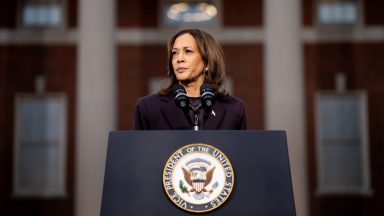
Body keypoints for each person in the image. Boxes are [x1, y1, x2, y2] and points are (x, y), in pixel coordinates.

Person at [134, 28, 246, 130]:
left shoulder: (234, 109)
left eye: (188, 51)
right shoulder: (148, 108)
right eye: (175, 53)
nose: (179, 59)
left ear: (207, 61)